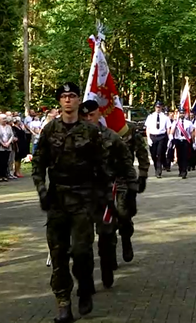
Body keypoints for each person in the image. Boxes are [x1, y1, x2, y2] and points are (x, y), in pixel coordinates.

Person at [32, 83, 109, 323]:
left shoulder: (90, 131)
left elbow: (103, 167)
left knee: (81, 251)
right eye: (64, 97)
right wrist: (42, 189)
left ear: (78, 101)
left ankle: (85, 286)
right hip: (57, 200)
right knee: (58, 254)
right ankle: (63, 304)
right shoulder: (49, 130)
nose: (68, 100)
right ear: (59, 101)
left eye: (72, 96)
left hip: (83, 200)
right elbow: (38, 164)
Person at [79, 100, 147, 289]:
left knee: (122, 217)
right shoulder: (76, 136)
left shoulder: (114, 134)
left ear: (100, 113)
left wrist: (138, 179)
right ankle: (96, 273)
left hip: (117, 184)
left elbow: (129, 159)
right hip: (88, 190)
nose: (87, 119)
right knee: (88, 235)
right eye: (84, 116)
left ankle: (124, 240)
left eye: (91, 115)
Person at [145, 101, 169, 178]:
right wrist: (148, 138)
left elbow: (168, 128)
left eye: (159, 107)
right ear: (155, 107)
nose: (158, 108)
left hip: (161, 137)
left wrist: (169, 138)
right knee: (153, 154)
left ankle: (159, 171)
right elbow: (147, 128)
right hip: (153, 136)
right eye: (157, 107)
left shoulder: (165, 117)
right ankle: (156, 167)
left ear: (162, 107)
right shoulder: (150, 116)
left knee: (159, 154)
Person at [169, 108, 193, 179]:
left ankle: (184, 171)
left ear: (185, 114)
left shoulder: (189, 123)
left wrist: (194, 141)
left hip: (186, 140)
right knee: (179, 156)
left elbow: (191, 132)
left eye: (183, 113)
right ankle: (180, 169)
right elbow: (172, 131)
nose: (182, 114)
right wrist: (171, 136)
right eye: (181, 113)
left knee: (185, 156)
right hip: (178, 140)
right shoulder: (175, 123)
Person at [0, 114, 13, 182]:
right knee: (0, 162)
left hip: (8, 146)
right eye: (3, 119)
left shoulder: (9, 127)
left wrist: (8, 143)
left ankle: (5, 175)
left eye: (5, 118)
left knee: (6, 161)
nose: (5, 120)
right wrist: (2, 143)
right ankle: (0, 176)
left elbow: (11, 135)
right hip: (0, 147)